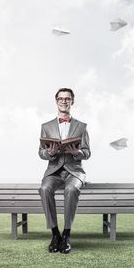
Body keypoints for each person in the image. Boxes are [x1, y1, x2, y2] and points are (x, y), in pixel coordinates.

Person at [38, 87, 91, 254]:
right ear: (56, 101)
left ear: (72, 101)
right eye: (61, 98)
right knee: (44, 188)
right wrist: (49, 153)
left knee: (72, 189)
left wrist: (77, 153)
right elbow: (41, 152)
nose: (64, 101)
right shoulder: (46, 126)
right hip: (54, 170)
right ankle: (55, 234)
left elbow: (88, 152)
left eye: (67, 99)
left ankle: (66, 234)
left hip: (74, 170)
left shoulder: (81, 126)